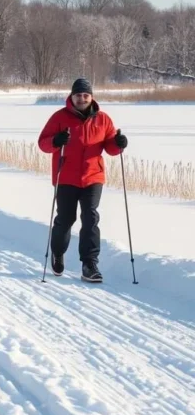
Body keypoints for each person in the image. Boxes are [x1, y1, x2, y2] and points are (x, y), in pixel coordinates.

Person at [38, 78, 127, 283]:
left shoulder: (103, 120)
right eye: (78, 95)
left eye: (86, 95)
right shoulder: (59, 117)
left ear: (91, 97)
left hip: (93, 177)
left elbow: (111, 147)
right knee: (66, 219)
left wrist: (119, 144)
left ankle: (89, 264)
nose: (82, 98)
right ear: (72, 96)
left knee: (90, 218)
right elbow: (43, 143)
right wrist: (55, 141)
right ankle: (58, 252)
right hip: (66, 176)